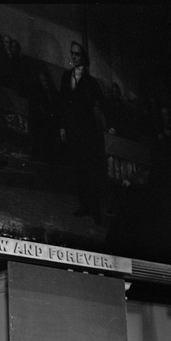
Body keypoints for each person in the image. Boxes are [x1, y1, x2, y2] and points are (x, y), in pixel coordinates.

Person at [58, 40, 110, 217]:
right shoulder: (66, 76)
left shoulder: (91, 82)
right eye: (72, 53)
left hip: (87, 134)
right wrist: (63, 127)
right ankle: (84, 206)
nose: (74, 56)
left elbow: (101, 105)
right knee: (78, 170)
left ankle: (94, 208)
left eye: (77, 54)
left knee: (90, 171)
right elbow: (63, 104)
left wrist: (107, 126)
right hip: (72, 131)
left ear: (83, 57)